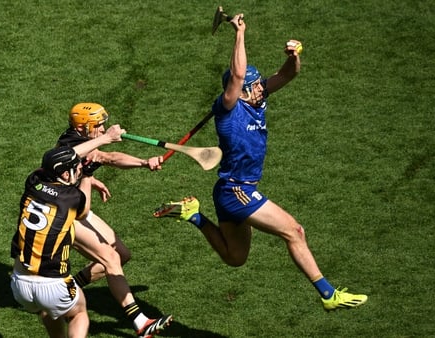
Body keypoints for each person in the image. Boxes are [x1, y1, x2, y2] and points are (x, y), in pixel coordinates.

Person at [154, 12, 368, 311]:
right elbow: (238, 75)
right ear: (238, 92)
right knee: (294, 231)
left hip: (233, 189)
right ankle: (328, 294)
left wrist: (293, 56)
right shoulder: (228, 109)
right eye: (254, 86)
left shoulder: (256, 98)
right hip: (236, 190)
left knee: (235, 258)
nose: (260, 89)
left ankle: (194, 215)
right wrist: (239, 32)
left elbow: (288, 74)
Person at [57, 102, 172, 338]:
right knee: (110, 258)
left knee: (121, 254)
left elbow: (83, 166)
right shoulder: (73, 143)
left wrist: (90, 179)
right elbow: (107, 157)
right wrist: (143, 162)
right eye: (98, 125)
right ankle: (141, 323)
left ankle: (69, 287)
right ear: (82, 127)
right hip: (64, 213)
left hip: (79, 207)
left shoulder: (81, 140)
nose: (102, 128)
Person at [10, 124, 124, 338]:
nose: (78, 169)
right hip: (53, 282)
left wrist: (104, 139)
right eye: (75, 168)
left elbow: (66, 157)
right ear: (64, 172)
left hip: (19, 283)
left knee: (50, 313)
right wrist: (88, 175)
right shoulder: (72, 198)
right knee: (79, 314)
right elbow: (84, 211)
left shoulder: (33, 181)